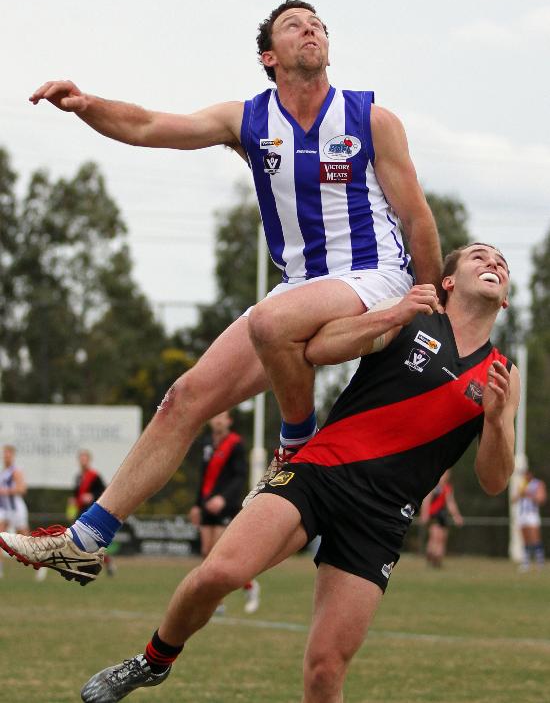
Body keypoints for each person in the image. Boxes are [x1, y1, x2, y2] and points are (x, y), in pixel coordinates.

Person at [0, 0, 442, 583]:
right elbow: (151, 126)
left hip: (377, 276)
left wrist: (430, 303)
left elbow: (419, 220)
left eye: (318, 24)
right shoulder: (249, 120)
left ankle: (298, 445)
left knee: (270, 323)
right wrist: (87, 105)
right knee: (183, 398)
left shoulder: (371, 120)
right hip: (302, 289)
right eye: (294, 24)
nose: (311, 28)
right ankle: (85, 540)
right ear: (269, 56)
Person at [76, 242, 518, 703]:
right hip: (318, 473)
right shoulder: (412, 313)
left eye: (501, 263)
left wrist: (495, 421)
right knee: (217, 575)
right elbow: (320, 349)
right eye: (479, 257)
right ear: (448, 282)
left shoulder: (503, 372)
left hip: (382, 518)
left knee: (325, 671)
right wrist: (391, 315)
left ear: (504, 298)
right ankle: (152, 661)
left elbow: (494, 479)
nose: (493, 263)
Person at [190, 411, 260, 613]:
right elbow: (203, 476)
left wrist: (223, 498)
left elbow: (239, 477)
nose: (218, 420)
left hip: (226, 505)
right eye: (215, 416)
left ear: (229, 421)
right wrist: (196, 504)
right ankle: (216, 602)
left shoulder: (236, 444)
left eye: (222, 417)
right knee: (206, 552)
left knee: (221, 555)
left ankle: (249, 586)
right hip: (206, 504)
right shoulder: (206, 443)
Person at [0, 445, 47, 582]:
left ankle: (42, 563)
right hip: (6, 510)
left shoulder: (16, 471)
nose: (6, 456)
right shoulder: (4, 472)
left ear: (12, 456)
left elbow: (22, 489)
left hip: (17, 510)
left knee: (27, 542)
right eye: (4, 454)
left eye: (8, 454)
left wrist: (6, 492)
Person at [67, 450, 116, 576]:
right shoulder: (78, 477)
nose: (83, 461)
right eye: (81, 458)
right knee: (76, 540)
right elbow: (76, 495)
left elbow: (103, 492)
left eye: (85, 458)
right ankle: (80, 567)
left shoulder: (94, 476)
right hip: (80, 511)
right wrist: (72, 503)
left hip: (90, 511)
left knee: (93, 543)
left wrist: (92, 495)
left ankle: (107, 562)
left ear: (89, 460)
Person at [420, 469, 463, 567]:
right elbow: (426, 501)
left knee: (442, 538)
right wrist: (424, 514)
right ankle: (432, 557)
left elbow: (451, 503)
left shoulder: (447, 488)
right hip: (433, 515)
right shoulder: (433, 487)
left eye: (447, 475)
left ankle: (437, 559)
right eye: (443, 474)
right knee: (435, 537)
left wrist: (456, 516)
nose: (445, 476)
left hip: (442, 515)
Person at [513, 469, 546, 571]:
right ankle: (525, 563)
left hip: (532, 514)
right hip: (522, 514)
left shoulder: (538, 484)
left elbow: (541, 499)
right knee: (526, 540)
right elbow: (513, 500)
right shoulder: (522, 484)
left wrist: (529, 494)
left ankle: (540, 562)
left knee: (535, 538)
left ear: (530, 475)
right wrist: (520, 494)